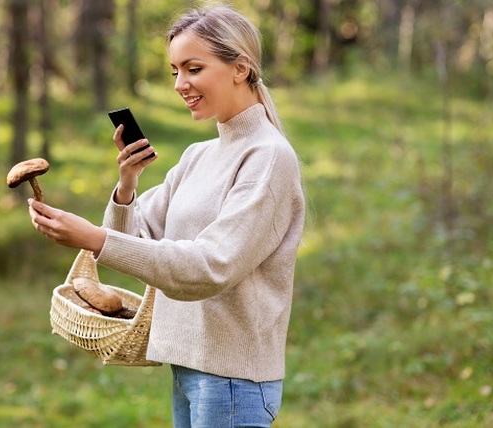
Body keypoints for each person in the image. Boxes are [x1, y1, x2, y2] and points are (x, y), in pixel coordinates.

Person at [28, 5, 305, 427]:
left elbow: (210, 267)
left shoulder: (267, 157)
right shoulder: (199, 155)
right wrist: (126, 186)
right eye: (174, 71)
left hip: (232, 379)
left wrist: (94, 239)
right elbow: (136, 239)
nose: (181, 84)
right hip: (187, 368)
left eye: (193, 68)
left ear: (240, 67)